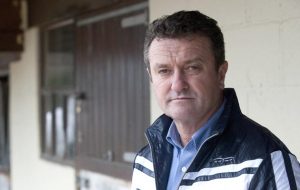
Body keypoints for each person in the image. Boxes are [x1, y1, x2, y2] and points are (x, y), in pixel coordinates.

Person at [131, 10, 300, 190]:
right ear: (151, 77)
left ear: (220, 74)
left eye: (192, 67)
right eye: (164, 71)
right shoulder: (145, 159)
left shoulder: (266, 161)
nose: (178, 85)